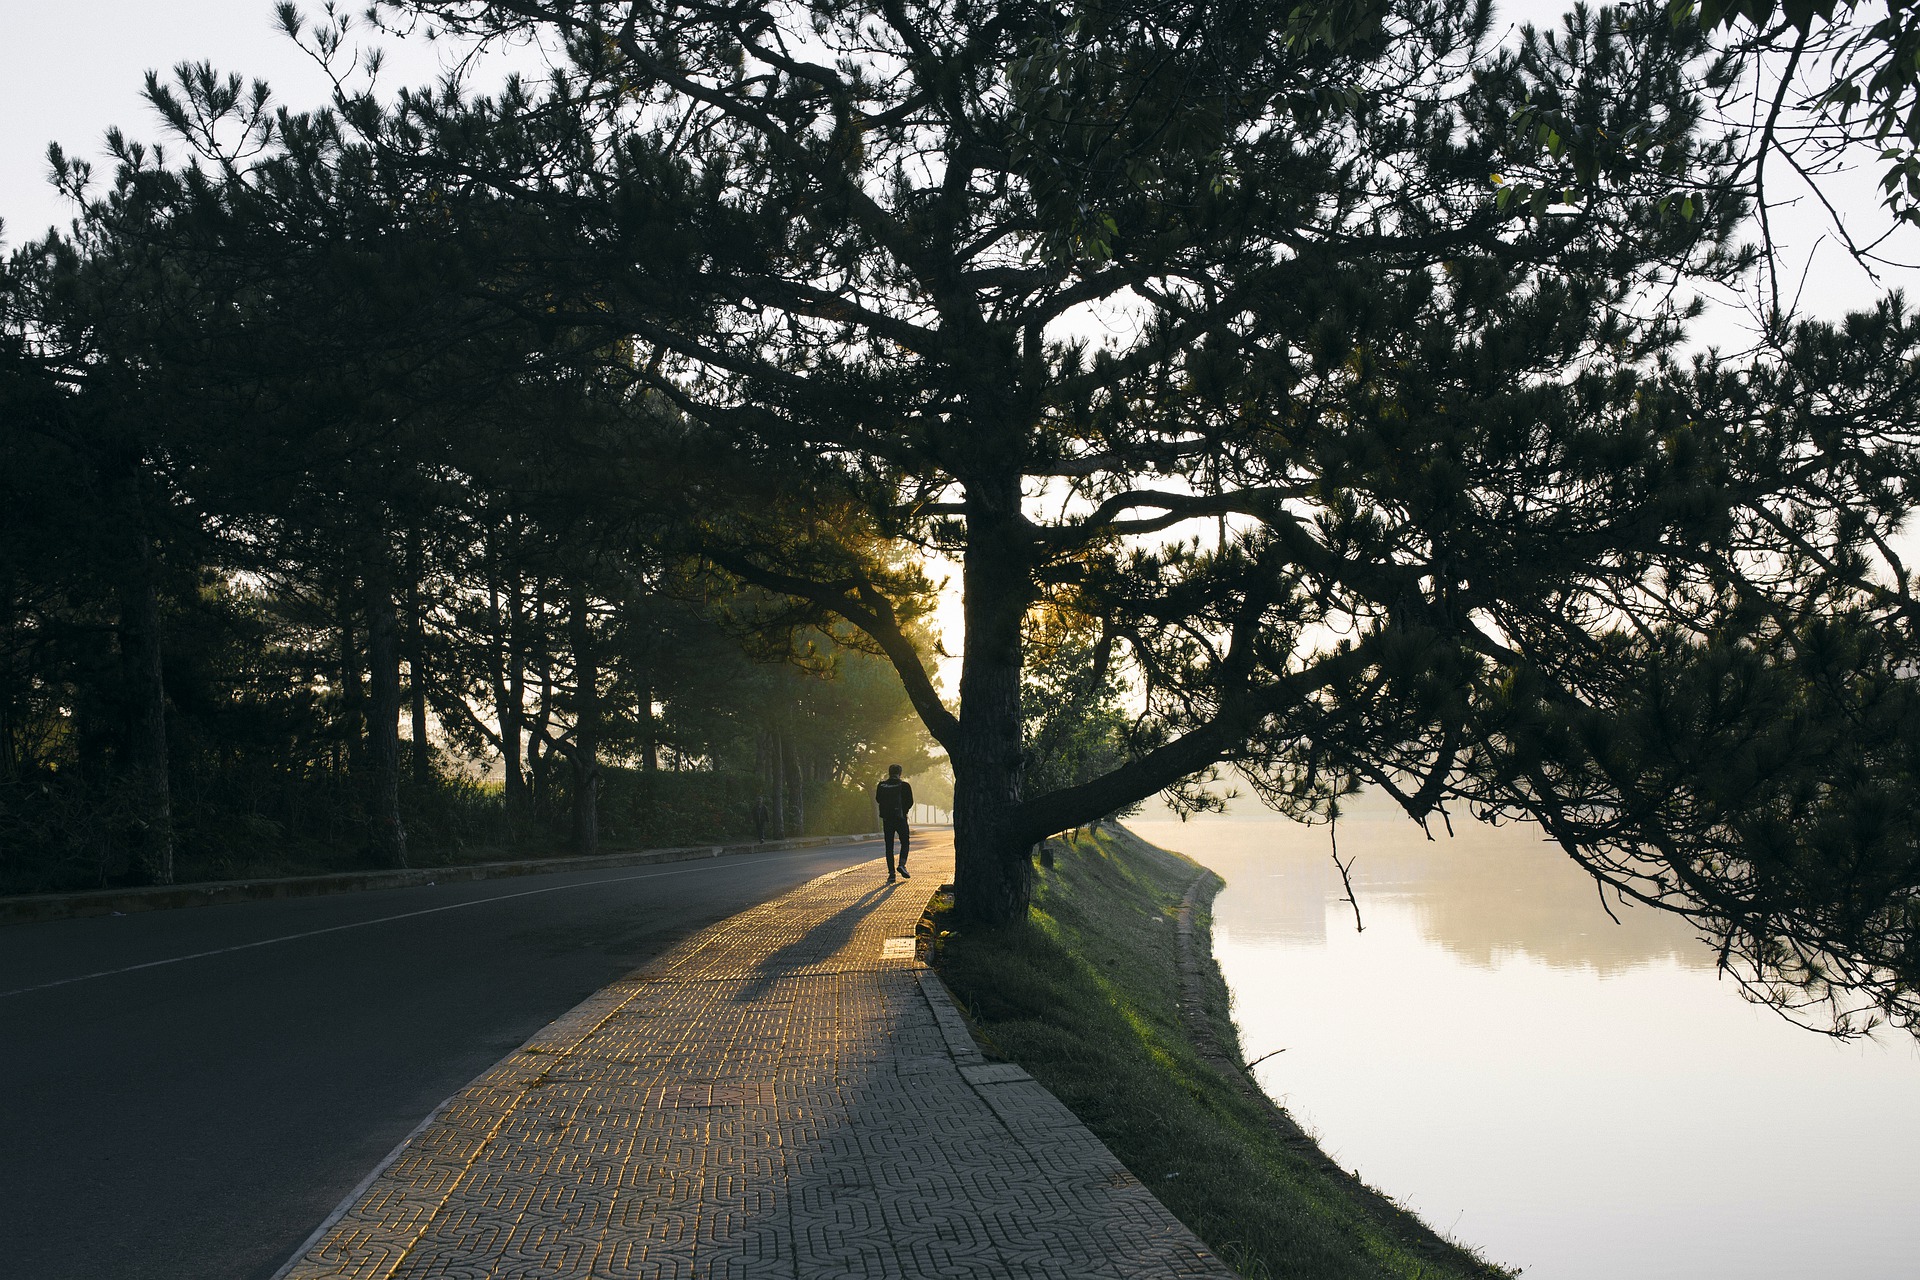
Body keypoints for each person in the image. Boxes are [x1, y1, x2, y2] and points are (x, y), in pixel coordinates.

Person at [874, 764, 913, 882]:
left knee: (889, 846)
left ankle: (891, 874)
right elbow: (910, 802)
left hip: (887, 820)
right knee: (905, 842)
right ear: (900, 773)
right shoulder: (905, 786)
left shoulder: (882, 785)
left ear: (889, 772)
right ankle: (902, 864)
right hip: (900, 819)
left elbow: (878, 799)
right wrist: (903, 811)